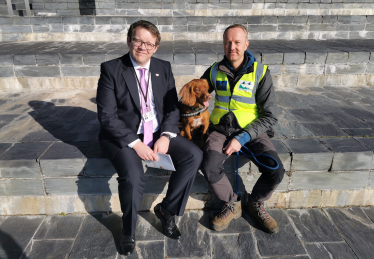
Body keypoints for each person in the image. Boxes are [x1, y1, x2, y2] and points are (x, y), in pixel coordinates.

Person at [96, 20, 203, 255]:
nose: (143, 47)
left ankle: (167, 210)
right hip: (123, 136)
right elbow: (107, 116)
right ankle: (129, 228)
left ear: (155, 48)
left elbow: (172, 107)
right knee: (134, 176)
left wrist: (166, 135)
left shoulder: (163, 68)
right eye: (138, 40)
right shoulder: (111, 69)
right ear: (129, 41)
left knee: (193, 155)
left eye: (149, 43)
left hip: (156, 131)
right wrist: (135, 144)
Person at [200, 24, 284, 233]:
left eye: (237, 42)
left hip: (252, 131)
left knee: (276, 170)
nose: (232, 47)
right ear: (223, 44)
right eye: (228, 42)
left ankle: (255, 202)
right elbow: (197, 89)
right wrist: (199, 99)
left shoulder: (261, 73)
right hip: (219, 130)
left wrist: (243, 137)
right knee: (210, 166)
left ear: (246, 44)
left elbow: (270, 115)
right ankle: (232, 203)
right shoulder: (214, 71)